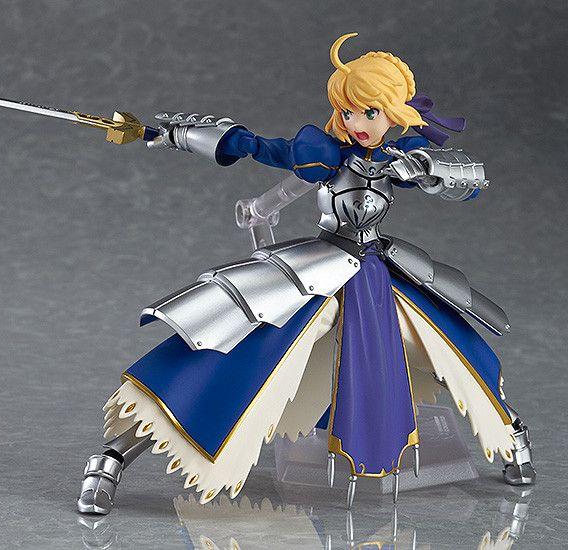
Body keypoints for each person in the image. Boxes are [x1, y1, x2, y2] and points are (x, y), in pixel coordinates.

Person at [78, 32, 535, 515]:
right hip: (324, 269)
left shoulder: (403, 157)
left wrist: (424, 168)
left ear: (393, 112)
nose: (357, 124)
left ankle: (514, 439)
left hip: (379, 273)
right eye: (348, 113)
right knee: (242, 352)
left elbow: (470, 180)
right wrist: (178, 139)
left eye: (370, 113)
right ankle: (112, 458)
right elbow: (261, 151)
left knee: (453, 350)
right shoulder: (327, 154)